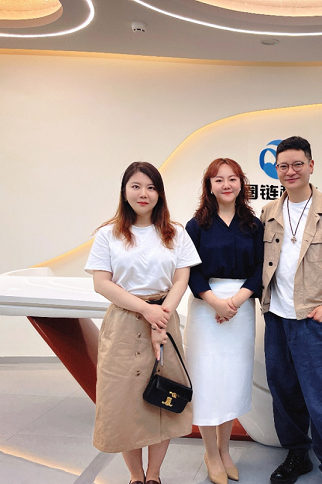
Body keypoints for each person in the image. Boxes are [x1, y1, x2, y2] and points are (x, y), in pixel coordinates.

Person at [85, 161, 201, 484]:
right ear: (124, 191)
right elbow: (101, 283)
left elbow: (181, 279)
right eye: (136, 186)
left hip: (164, 319)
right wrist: (146, 311)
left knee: (162, 399)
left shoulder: (175, 232)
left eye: (151, 187)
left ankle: (154, 475)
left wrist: (161, 316)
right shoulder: (108, 234)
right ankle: (135, 476)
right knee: (124, 402)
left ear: (159, 194)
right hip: (124, 323)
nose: (143, 193)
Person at [260, 136, 322, 484]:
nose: (290, 171)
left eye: (297, 164)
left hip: (313, 318)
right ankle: (297, 455)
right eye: (283, 166)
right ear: (276, 169)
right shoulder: (268, 212)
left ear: (311, 166)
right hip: (277, 318)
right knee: (284, 393)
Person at [184, 158, 263, 484]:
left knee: (231, 379)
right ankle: (211, 453)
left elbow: (262, 267)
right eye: (219, 179)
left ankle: (224, 449)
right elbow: (189, 271)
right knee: (207, 380)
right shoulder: (196, 225)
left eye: (232, 179)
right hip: (206, 308)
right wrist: (215, 301)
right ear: (209, 186)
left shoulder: (253, 225)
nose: (226, 185)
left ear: (242, 183)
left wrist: (237, 300)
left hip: (241, 307)